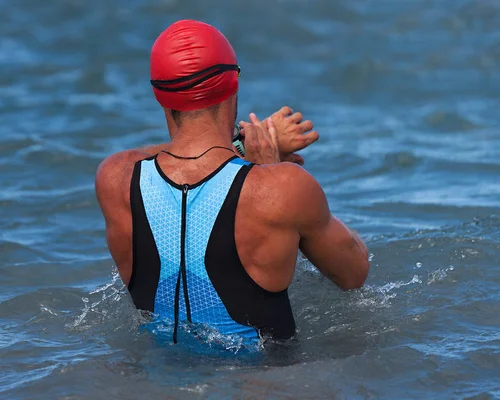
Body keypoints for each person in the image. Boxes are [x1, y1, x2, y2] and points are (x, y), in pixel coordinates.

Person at [95, 20, 369, 345]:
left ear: (159, 95)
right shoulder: (281, 187)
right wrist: (267, 167)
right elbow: (354, 274)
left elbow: (155, 155)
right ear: (233, 83)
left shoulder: (114, 177)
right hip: (264, 384)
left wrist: (239, 148)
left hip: (155, 380)